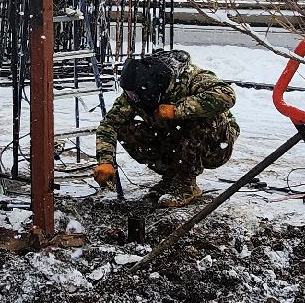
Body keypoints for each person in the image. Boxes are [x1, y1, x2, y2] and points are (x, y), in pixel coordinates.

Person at [92, 50, 240, 207]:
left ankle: (186, 184)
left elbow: (226, 95)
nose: (131, 98)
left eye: (134, 95)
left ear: (152, 89)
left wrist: (177, 110)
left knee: (202, 118)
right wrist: (105, 161)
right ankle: (171, 178)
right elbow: (109, 125)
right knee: (125, 128)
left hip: (216, 147)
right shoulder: (136, 91)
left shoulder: (190, 77)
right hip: (172, 138)